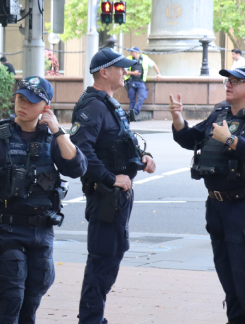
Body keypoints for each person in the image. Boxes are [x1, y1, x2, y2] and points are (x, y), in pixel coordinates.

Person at [0, 76, 87, 323]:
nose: (22, 104)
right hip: (7, 230)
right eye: (20, 98)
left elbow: (77, 168)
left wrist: (57, 129)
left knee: (34, 295)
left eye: (30, 101)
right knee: (11, 297)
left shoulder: (51, 138)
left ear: (45, 107)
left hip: (42, 231)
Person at [71, 48, 157, 324]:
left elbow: (117, 144)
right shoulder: (94, 105)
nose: (126, 71)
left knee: (111, 256)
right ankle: (91, 320)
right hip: (106, 197)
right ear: (104, 72)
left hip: (117, 197)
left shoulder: (108, 103)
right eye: (120, 67)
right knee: (102, 261)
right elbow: (81, 149)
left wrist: (143, 158)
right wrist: (111, 178)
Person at [170, 67, 245, 323]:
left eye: (236, 81)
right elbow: (191, 139)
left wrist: (231, 140)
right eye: (228, 80)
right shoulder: (220, 111)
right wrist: (178, 118)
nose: (229, 84)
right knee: (228, 278)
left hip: (240, 208)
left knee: (242, 278)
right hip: (216, 207)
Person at [124, 47, 161, 117]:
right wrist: (133, 73)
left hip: (140, 82)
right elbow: (124, 71)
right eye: (130, 51)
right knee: (132, 99)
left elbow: (153, 64)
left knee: (143, 96)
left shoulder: (145, 58)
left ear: (137, 52)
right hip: (131, 82)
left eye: (132, 52)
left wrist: (158, 73)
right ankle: (131, 116)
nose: (131, 53)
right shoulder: (128, 59)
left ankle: (134, 112)